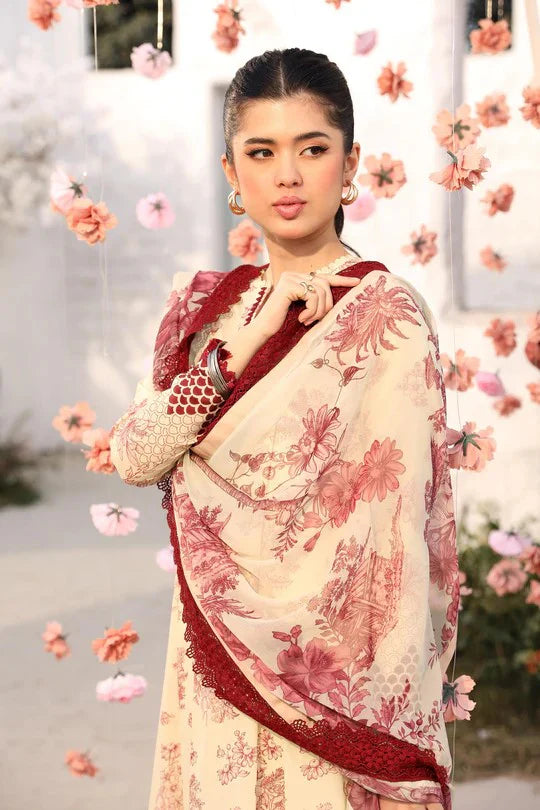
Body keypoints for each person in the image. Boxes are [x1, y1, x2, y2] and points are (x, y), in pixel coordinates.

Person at [109, 48, 460, 810]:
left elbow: (387, 540)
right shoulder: (207, 316)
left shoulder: (386, 319)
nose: (288, 176)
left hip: (331, 694)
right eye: (262, 153)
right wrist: (242, 343)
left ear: (350, 162)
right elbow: (134, 454)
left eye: (312, 149)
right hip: (219, 680)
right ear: (232, 174)